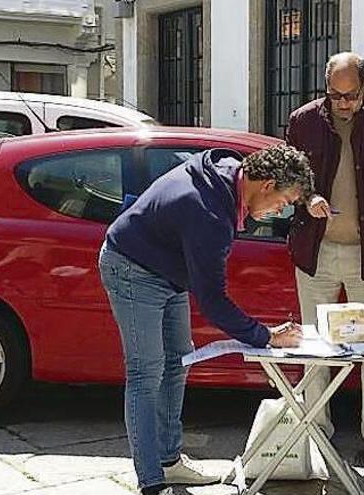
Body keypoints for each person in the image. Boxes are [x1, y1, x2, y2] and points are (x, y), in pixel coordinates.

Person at [99, 144, 313, 495]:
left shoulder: (229, 171)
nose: (280, 211)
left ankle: (170, 462)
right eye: (284, 202)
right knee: (146, 371)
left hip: (167, 270)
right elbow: (213, 301)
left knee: (178, 361)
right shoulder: (209, 215)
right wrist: (265, 336)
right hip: (131, 268)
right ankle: (152, 482)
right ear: (267, 184)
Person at [286, 52, 364, 472]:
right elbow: (290, 179)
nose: (344, 104)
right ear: (326, 90)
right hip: (316, 253)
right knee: (315, 348)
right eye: (336, 96)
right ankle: (316, 430)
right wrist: (310, 198)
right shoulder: (303, 120)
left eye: (352, 96)